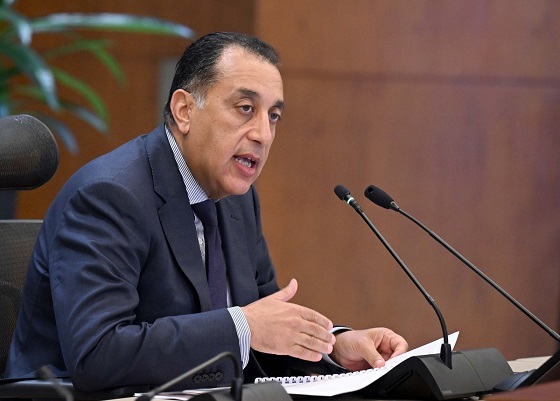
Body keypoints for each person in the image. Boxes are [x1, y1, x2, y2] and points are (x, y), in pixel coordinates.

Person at [6, 32, 408, 392]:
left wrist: (334, 346)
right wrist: (243, 326)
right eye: (245, 108)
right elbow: (98, 354)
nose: (263, 134)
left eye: (273, 116)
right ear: (184, 110)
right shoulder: (109, 195)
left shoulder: (237, 199)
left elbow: (265, 329)